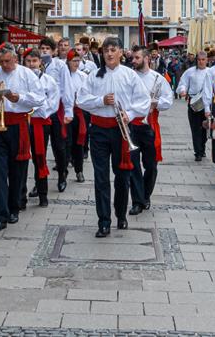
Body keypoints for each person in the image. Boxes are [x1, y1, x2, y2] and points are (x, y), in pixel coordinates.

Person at [76, 37, 151, 237]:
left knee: (122, 176)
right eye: (106, 50)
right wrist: (100, 100)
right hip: (99, 129)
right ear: (102, 53)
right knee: (101, 178)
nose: (109, 54)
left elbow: (144, 100)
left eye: (113, 50)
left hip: (122, 131)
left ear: (120, 53)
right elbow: (81, 99)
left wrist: (131, 113)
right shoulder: (93, 75)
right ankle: (104, 221)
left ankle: (120, 214)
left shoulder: (130, 75)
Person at [0, 43, 44, 232]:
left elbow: (40, 98)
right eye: (1, 61)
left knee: (17, 171)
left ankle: (14, 207)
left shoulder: (26, 74)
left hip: (18, 125)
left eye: (8, 61)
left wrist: (18, 98)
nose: (5, 65)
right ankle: (0, 215)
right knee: (0, 172)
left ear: (15, 58)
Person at [129, 46, 173, 213]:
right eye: (133, 58)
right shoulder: (129, 77)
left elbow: (168, 101)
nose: (133, 60)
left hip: (150, 125)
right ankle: (137, 201)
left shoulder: (158, 78)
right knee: (133, 166)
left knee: (151, 166)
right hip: (132, 125)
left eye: (137, 58)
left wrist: (155, 104)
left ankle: (146, 195)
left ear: (146, 58)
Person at [22, 48, 59, 207]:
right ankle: (20, 196)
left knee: (39, 157)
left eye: (34, 61)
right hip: (22, 121)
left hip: (39, 122)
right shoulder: (19, 78)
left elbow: (53, 102)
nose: (31, 65)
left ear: (40, 62)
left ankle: (42, 193)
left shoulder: (48, 80)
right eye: (29, 61)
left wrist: (38, 109)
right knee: (21, 158)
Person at [38, 38, 74, 192]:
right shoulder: (34, 64)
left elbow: (67, 87)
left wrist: (68, 110)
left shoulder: (60, 65)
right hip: (40, 109)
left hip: (56, 108)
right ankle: (40, 181)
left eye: (47, 48)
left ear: (53, 51)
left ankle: (61, 175)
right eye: (42, 48)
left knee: (59, 146)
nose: (44, 51)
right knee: (40, 147)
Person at [177, 51, 213, 162]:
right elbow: (182, 83)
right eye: (199, 60)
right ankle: (198, 152)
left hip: (208, 103)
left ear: (207, 60)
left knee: (206, 128)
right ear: (196, 60)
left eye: (203, 60)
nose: (201, 62)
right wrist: (182, 90)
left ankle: (202, 147)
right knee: (195, 128)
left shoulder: (211, 72)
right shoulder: (190, 72)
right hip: (194, 103)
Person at [66, 49, 89, 182]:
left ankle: (79, 170)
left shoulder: (83, 76)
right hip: (67, 113)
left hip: (79, 112)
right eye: (73, 61)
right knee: (66, 142)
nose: (76, 63)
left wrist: (79, 100)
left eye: (78, 61)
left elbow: (87, 92)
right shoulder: (64, 75)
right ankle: (63, 169)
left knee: (79, 142)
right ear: (68, 62)